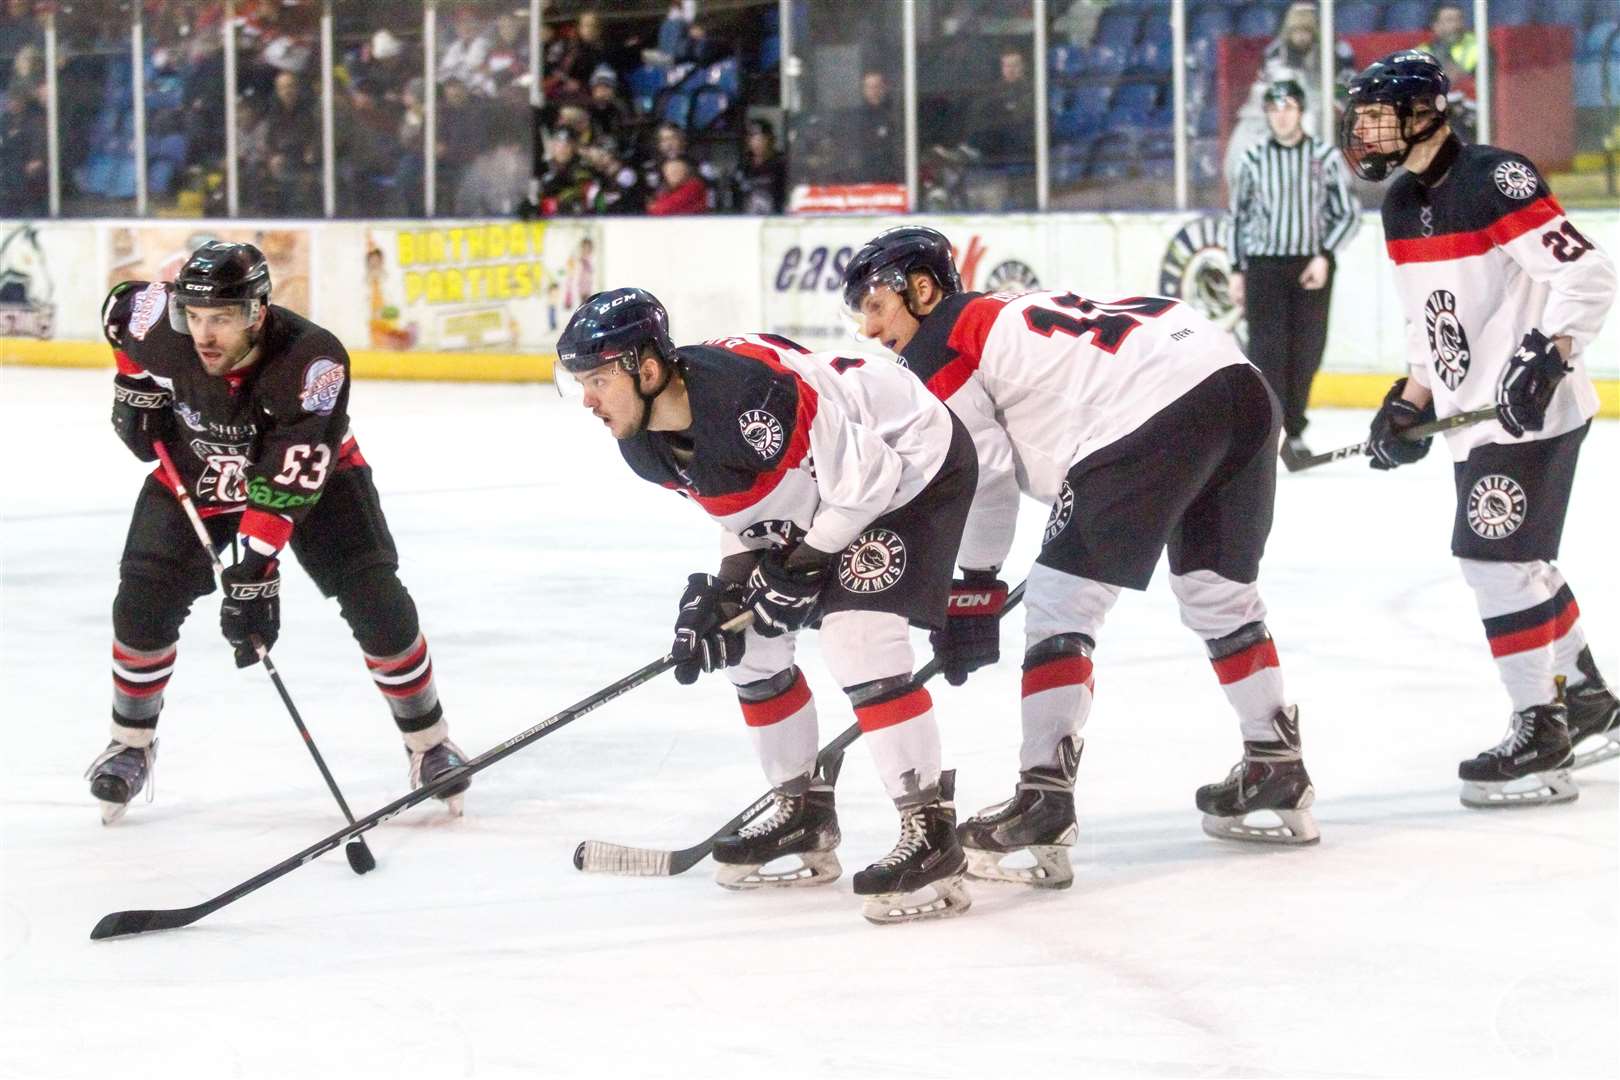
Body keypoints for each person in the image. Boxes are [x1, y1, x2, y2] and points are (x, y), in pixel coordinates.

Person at [843, 226, 1320, 889]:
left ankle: (1044, 798)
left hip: (1152, 406)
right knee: (1218, 592)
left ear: (922, 291)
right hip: (1237, 384)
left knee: (1061, 603)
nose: (869, 329)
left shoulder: (942, 342)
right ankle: (1276, 763)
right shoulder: (1000, 316)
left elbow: (989, 477)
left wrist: (976, 584)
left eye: (875, 306)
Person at [554, 288, 981, 925]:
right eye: (578, 382)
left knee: (856, 636)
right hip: (838, 487)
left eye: (596, 380)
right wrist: (724, 593)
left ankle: (931, 832)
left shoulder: (749, 400)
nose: (587, 400)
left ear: (646, 370)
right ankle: (803, 810)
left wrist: (803, 566)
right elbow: (752, 511)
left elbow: (867, 483)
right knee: (746, 645)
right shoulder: (644, 443)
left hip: (913, 467)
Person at [87, 241, 470, 824]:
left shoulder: (312, 360)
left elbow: (289, 478)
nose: (205, 335)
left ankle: (429, 743)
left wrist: (254, 572)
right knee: (142, 598)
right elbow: (120, 312)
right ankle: (130, 746)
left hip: (312, 477)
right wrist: (132, 387)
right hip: (201, 468)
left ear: (258, 312)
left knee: (375, 598)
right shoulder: (156, 325)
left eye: (221, 319)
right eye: (195, 317)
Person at [1341, 51, 1619, 807]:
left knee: (1492, 560)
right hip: (1475, 422)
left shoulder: (1497, 179)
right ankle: (1587, 700)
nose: (1363, 128)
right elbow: (1428, 323)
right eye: (1359, 115)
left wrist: (1548, 356)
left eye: (1377, 114)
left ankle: (1541, 731)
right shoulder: (1401, 205)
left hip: (1534, 414)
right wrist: (1410, 397)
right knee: (1521, 560)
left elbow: (1588, 275)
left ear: (1425, 113)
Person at [1229, 79, 1360, 470]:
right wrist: (1237, 269)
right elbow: (1239, 219)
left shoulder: (1324, 157)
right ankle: (1271, 431)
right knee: (1267, 352)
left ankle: (1295, 428)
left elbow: (1348, 213)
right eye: (1274, 109)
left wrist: (1324, 255)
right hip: (1265, 266)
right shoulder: (1252, 160)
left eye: (1288, 108)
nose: (1281, 116)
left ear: (1301, 111)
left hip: (1311, 265)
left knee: (1307, 350)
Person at [1223, 2, 1355, 191]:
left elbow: (1345, 88)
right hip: (1281, 108)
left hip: (1323, 111)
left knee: (1310, 120)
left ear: (1316, 30)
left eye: (1306, 31)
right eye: (1296, 31)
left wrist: (1333, 102)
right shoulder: (1275, 52)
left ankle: (1309, 184)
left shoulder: (1337, 50)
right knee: (1248, 130)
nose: (1301, 36)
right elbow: (1265, 87)